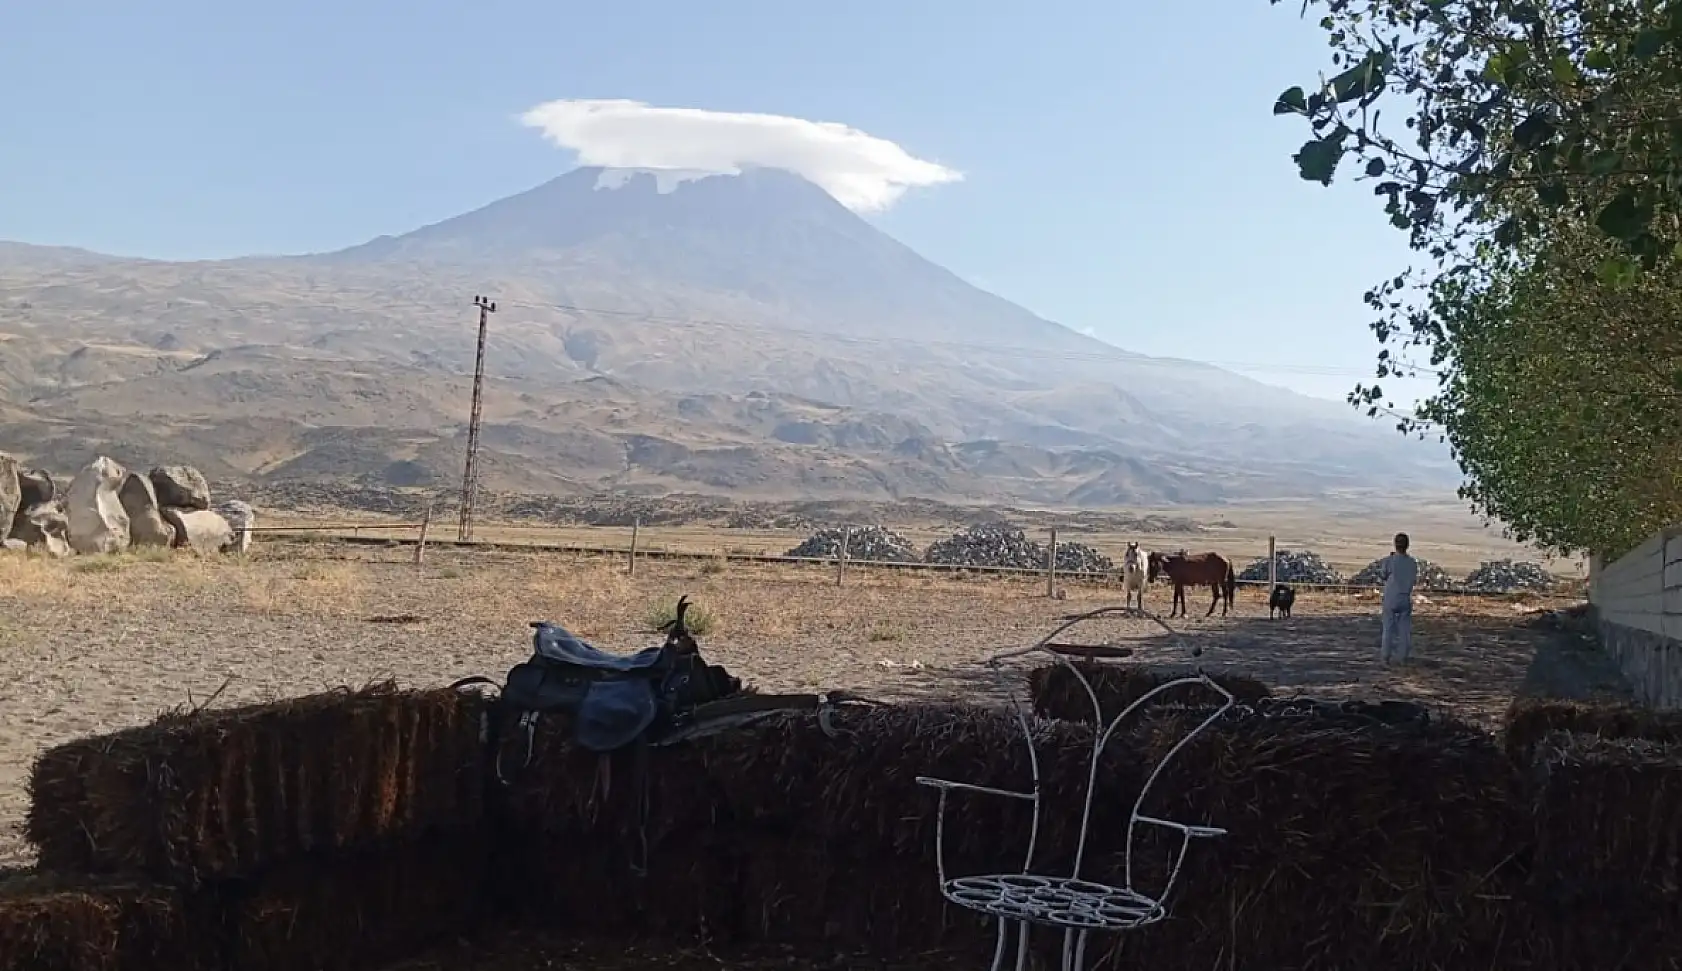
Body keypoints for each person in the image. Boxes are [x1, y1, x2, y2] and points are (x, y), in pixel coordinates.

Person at [1378, 532, 1417, 665]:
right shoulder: (1412, 563)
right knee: (1404, 629)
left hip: (1391, 597)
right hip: (1405, 597)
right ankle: (1402, 657)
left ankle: (1385, 656)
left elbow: (1383, 575)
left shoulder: (1389, 561)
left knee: (1388, 628)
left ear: (1395, 545)